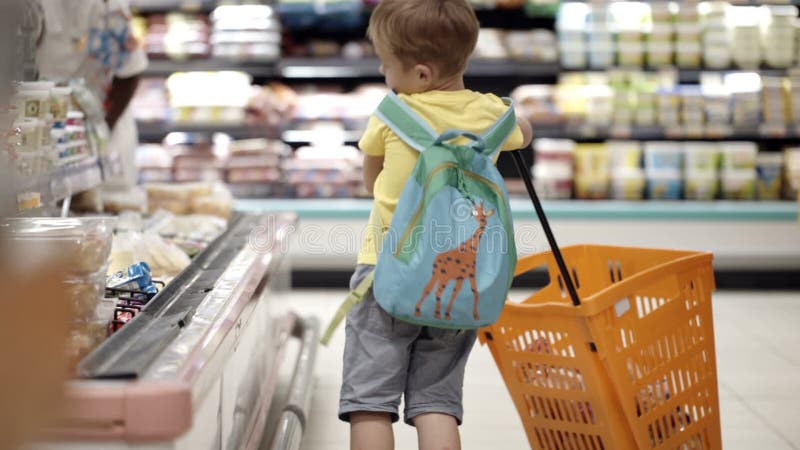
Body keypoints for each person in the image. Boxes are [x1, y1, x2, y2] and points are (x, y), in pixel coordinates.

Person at [339, 1, 533, 449]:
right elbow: (523, 128)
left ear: (421, 74)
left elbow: (372, 181)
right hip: (462, 283)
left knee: (370, 400)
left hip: (386, 271)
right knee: (436, 399)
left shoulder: (391, 115)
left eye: (387, 65)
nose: (385, 73)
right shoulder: (490, 114)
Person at [37, 0, 148, 192]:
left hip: (99, 125)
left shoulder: (109, 7)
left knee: (102, 207)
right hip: (40, 125)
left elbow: (130, 71)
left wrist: (103, 128)